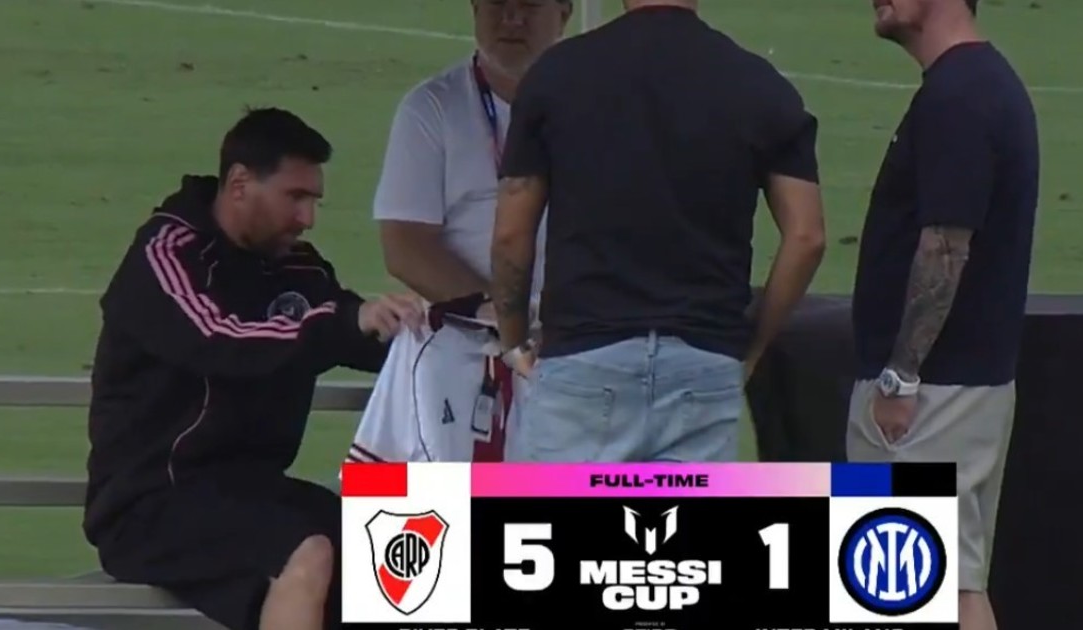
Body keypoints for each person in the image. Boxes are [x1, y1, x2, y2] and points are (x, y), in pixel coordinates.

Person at [82, 107, 425, 630]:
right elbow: (221, 339)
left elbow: (349, 328)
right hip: (151, 502)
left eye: (314, 201)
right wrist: (344, 323)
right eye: (296, 197)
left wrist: (437, 333)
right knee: (305, 551)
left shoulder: (297, 265)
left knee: (406, 549)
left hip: (252, 492)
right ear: (240, 183)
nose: (307, 217)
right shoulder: (167, 254)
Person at [489, 0, 827, 462]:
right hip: (703, 363)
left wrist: (513, 340)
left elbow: (511, 233)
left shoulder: (557, 74)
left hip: (586, 359)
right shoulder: (760, 84)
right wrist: (752, 344)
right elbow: (806, 236)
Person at [847, 0, 1040, 627]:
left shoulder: (960, 97)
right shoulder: (974, 86)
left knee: (914, 589)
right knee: (950, 584)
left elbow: (946, 245)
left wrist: (900, 377)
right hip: (955, 386)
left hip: (930, 394)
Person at [347, 0, 571, 464]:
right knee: (428, 512)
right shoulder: (432, 108)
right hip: (457, 347)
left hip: (568, 348)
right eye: (498, 3)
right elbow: (405, 245)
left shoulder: (599, 112)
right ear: (474, 8)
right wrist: (502, 315)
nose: (513, 16)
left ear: (565, 13)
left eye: (530, 4)